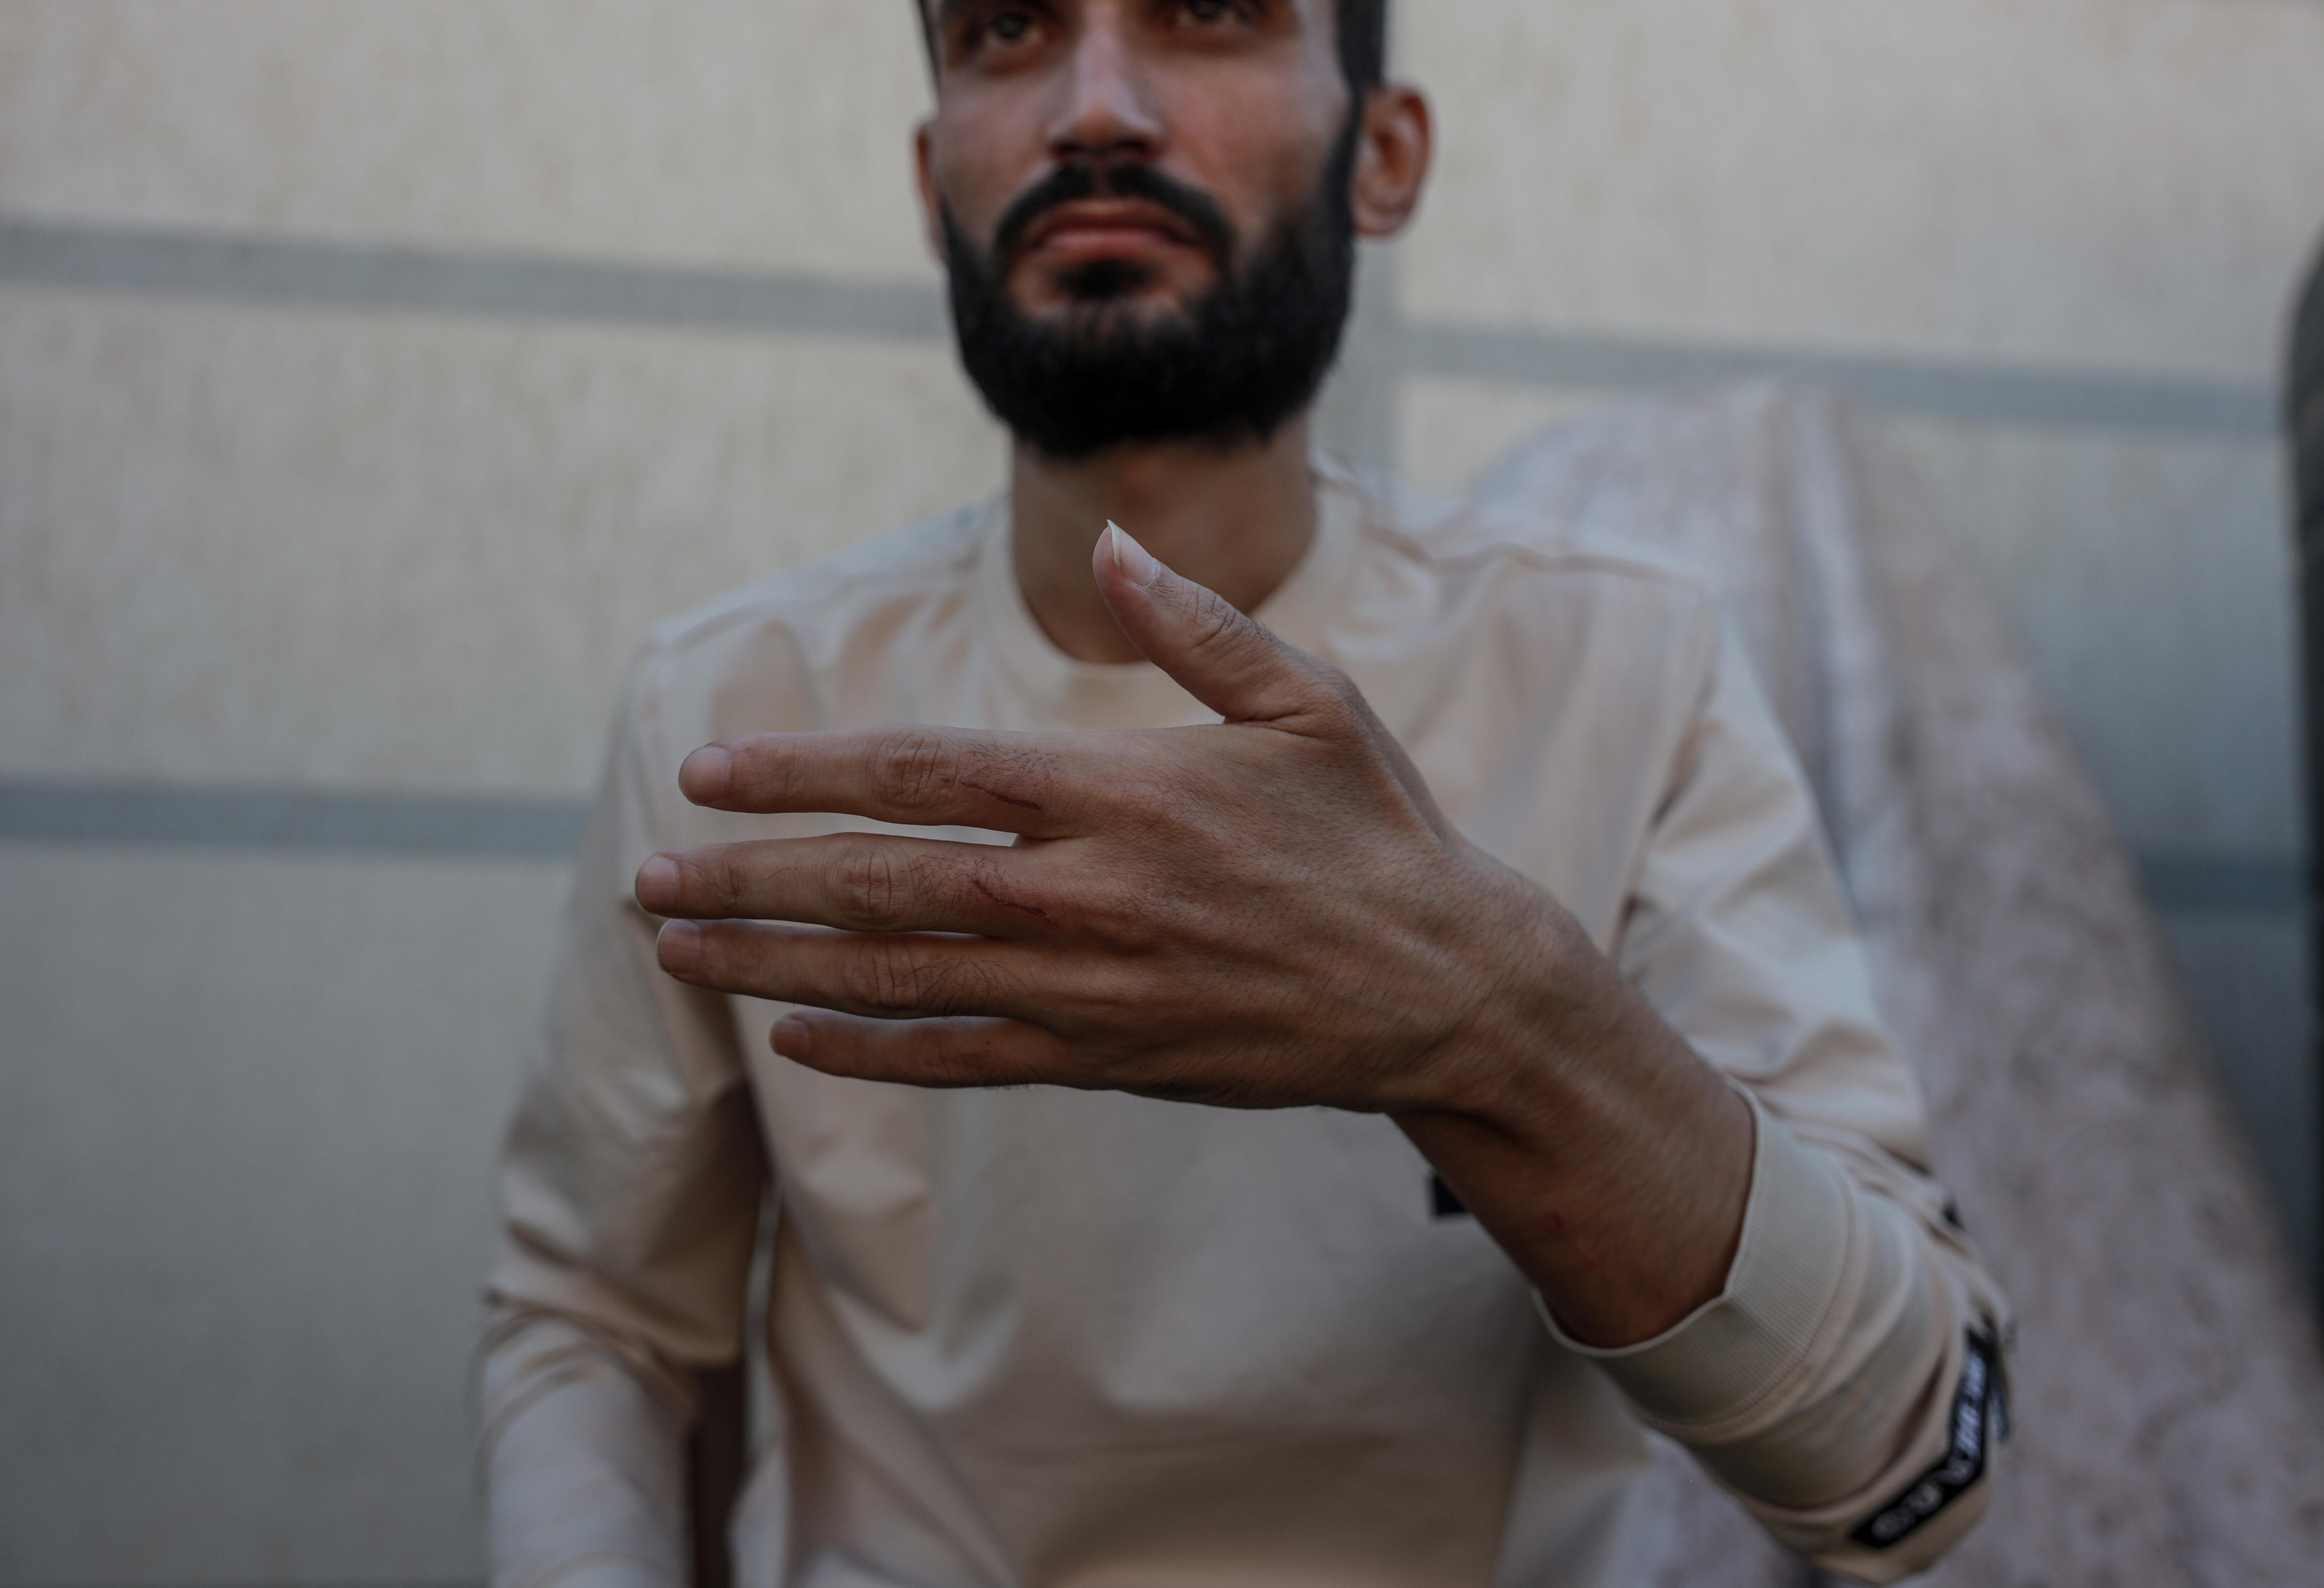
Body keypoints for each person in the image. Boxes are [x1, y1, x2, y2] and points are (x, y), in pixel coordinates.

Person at [477, 4, 2011, 1585]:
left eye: (1208, 14)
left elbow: (1906, 1457)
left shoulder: (1622, 670)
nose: (1097, 110)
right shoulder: (729, 714)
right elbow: (597, 1326)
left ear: (1385, 154)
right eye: (1007, 30)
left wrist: (1494, 1019)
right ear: (935, 174)